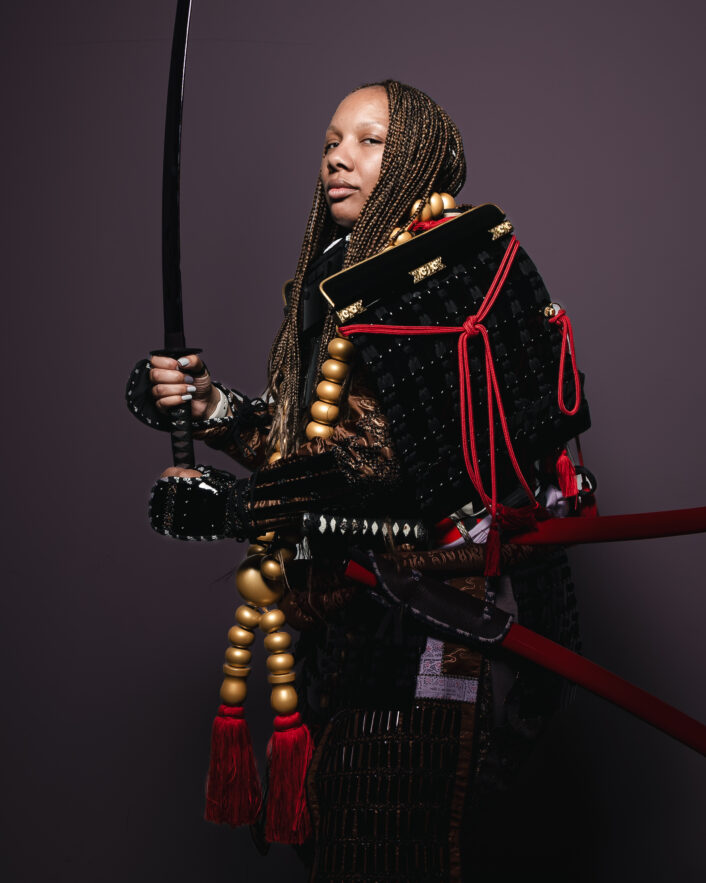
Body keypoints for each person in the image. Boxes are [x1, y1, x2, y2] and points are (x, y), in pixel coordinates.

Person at [127, 80, 584, 881]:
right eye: (331, 142)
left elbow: (380, 471)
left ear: (416, 156)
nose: (339, 158)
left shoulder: (441, 270)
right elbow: (315, 441)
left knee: (390, 850)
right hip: (354, 619)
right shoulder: (350, 272)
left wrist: (226, 507)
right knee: (341, 842)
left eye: (369, 141)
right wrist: (212, 408)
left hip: (442, 620)